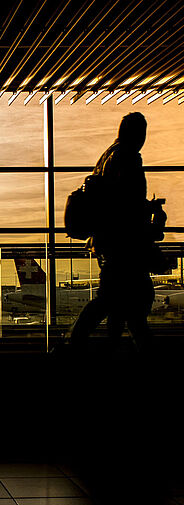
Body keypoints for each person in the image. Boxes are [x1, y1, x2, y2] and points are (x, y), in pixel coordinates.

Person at [66, 112, 165, 354]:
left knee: (117, 300)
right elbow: (126, 205)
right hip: (124, 245)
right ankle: (77, 344)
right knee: (128, 300)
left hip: (107, 243)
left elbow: (115, 202)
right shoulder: (128, 157)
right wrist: (150, 215)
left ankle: (89, 344)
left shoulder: (108, 157)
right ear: (139, 133)